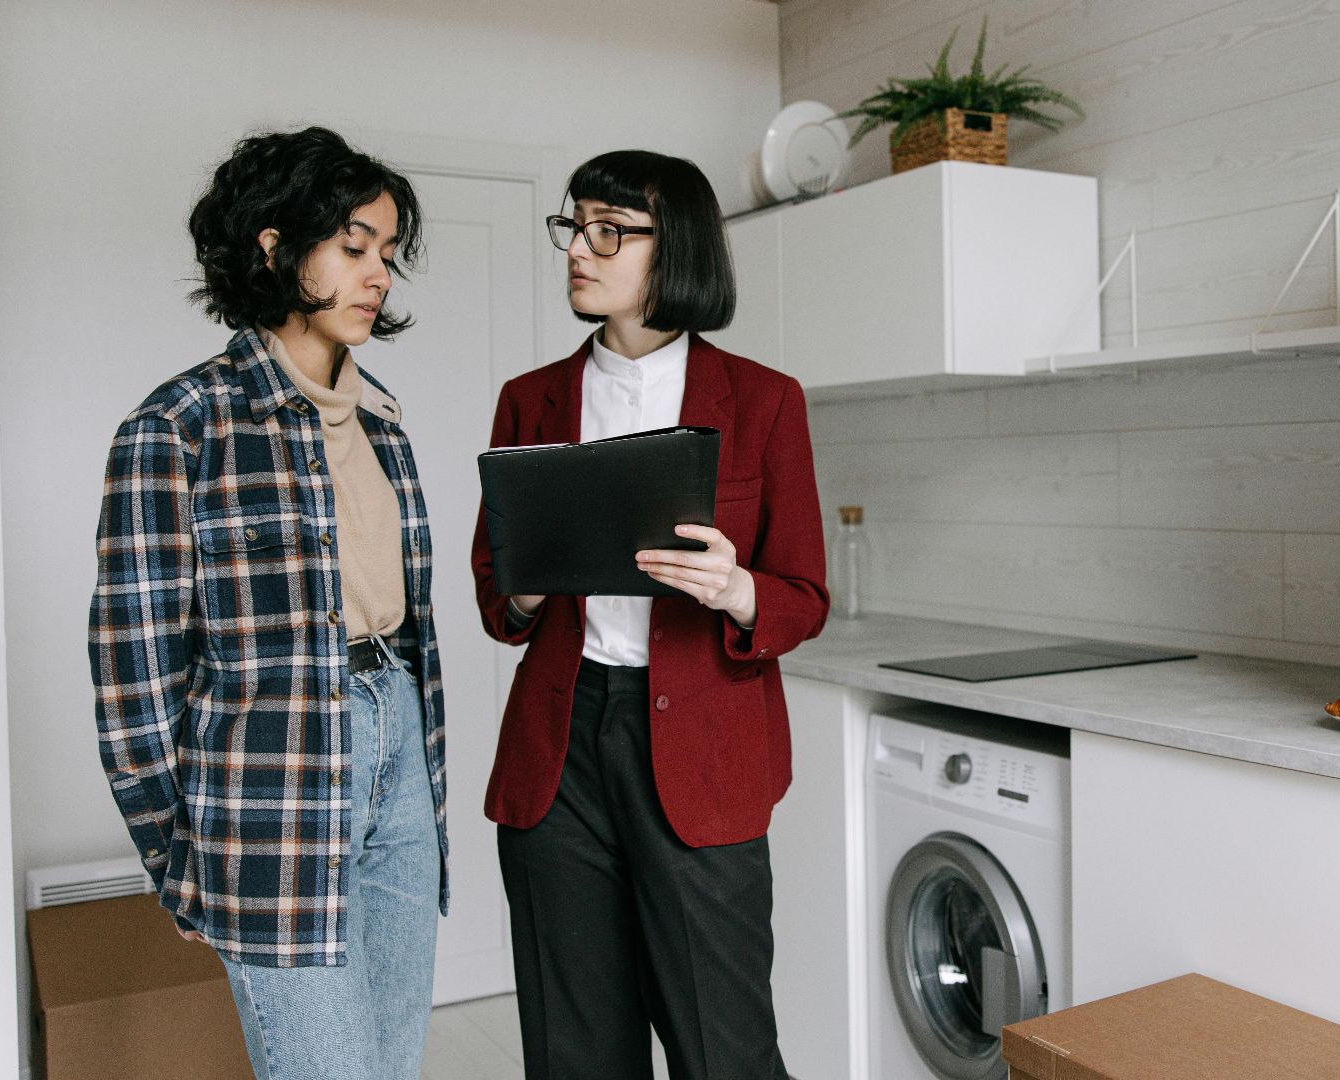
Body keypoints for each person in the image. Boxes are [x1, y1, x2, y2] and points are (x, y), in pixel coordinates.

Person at [89, 126, 448, 1080]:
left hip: (397, 748)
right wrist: (188, 860)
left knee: (392, 1065)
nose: (378, 275)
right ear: (276, 247)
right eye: (354, 247)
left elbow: (409, 625)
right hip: (273, 787)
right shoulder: (178, 429)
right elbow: (133, 681)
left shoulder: (385, 425)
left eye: (387, 253)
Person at [470, 149, 829, 1079]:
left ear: (675, 252)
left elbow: (804, 597)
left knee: (726, 1048)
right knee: (575, 1050)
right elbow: (495, 596)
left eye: (609, 230)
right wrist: (528, 583)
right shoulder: (531, 399)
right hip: (561, 749)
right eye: (574, 227)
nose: (579, 251)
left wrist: (735, 587)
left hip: (703, 742)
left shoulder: (764, 402)